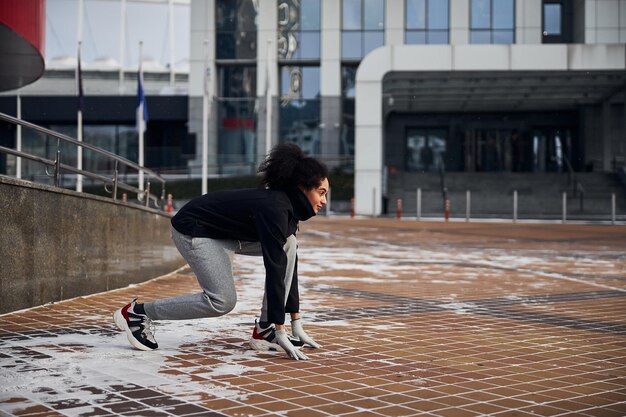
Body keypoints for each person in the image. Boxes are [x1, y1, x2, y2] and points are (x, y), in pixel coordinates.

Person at [113, 144, 329, 360]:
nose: (324, 201)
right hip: (195, 229)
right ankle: (137, 313)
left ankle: (265, 330)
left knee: (288, 244)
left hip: (227, 232)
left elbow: (285, 263)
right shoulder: (275, 208)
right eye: (320, 192)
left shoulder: (288, 208)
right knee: (222, 301)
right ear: (302, 188)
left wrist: (295, 321)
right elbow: (275, 269)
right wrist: (282, 329)